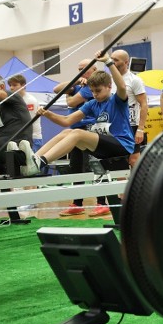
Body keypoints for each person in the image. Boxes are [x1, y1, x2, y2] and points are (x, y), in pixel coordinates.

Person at [21, 61, 135, 180]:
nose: (95, 94)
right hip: (104, 147)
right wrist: (48, 114)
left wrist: (108, 62)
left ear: (109, 87)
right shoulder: (92, 104)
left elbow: (121, 86)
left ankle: (41, 163)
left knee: (77, 133)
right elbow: (67, 120)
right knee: (67, 132)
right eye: (92, 91)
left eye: (98, 91)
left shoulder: (117, 101)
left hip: (122, 145)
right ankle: (34, 159)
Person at [53, 59, 108, 217]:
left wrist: (70, 96)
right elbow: (56, 88)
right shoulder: (78, 85)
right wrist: (76, 80)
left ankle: (101, 203)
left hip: (91, 130)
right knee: (76, 167)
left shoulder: (93, 87)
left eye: (84, 69)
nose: (81, 71)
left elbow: (71, 102)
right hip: (75, 131)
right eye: (79, 69)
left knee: (97, 166)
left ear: (94, 69)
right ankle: (77, 204)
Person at [106, 49, 148, 166]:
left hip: (131, 125)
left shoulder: (134, 80)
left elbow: (144, 104)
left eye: (116, 60)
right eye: (111, 59)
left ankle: (137, 183)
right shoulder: (108, 80)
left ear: (126, 62)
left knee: (134, 160)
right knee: (118, 161)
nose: (112, 62)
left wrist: (140, 129)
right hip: (113, 125)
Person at [6, 74, 43, 152]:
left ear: (23, 85)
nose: (11, 88)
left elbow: (27, 121)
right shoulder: (13, 100)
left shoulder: (30, 101)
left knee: (33, 162)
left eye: (15, 85)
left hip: (33, 138)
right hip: (20, 138)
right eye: (10, 85)